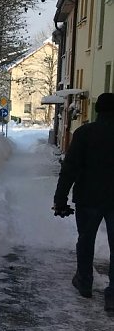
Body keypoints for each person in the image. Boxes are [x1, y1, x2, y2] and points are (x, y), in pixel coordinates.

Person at [54, 92, 114, 311]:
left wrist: (60, 199)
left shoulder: (84, 133)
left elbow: (70, 169)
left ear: (98, 110)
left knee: (86, 239)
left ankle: (84, 282)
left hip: (89, 197)